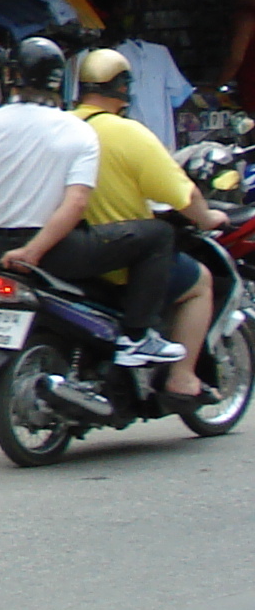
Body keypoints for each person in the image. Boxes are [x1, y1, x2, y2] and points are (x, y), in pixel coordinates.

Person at [0, 37, 185, 369]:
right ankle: (137, 337)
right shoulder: (76, 130)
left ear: (12, 75)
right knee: (159, 235)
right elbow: (77, 203)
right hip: (56, 253)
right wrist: (34, 251)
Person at [74, 45, 226, 399]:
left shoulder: (62, 126)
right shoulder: (129, 133)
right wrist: (209, 218)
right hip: (121, 264)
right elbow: (182, 194)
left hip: (67, 254)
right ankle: (182, 378)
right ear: (122, 87)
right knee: (200, 281)